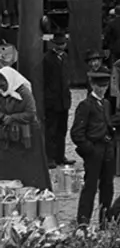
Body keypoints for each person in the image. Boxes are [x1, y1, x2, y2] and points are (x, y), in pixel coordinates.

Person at [0, 41, 49, 190]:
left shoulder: (23, 91)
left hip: (28, 135)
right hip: (9, 136)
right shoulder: (1, 93)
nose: (1, 84)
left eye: (3, 81)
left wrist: (12, 118)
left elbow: (30, 113)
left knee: (30, 169)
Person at [71, 69, 117, 227]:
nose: (102, 89)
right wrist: (89, 149)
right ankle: (83, 222)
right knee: (90, 187)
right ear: (92, 85)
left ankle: (105, 221)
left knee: (107, 187)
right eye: (99, 86)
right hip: (94, 151)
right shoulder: (85, 106)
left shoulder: (106, 104)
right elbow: (76, 133)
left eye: (105, 86)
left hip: (107, 151)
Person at [42, 32, 71, 168]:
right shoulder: (47, 59)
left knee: (62, 129)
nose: (61, 46)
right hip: (52, 100)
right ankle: (50, 157)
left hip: (63, 100)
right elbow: (45, 80)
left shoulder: (65, 57)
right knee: (51, 130)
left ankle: (60, 155)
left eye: (63, 43)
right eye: (58, 44)